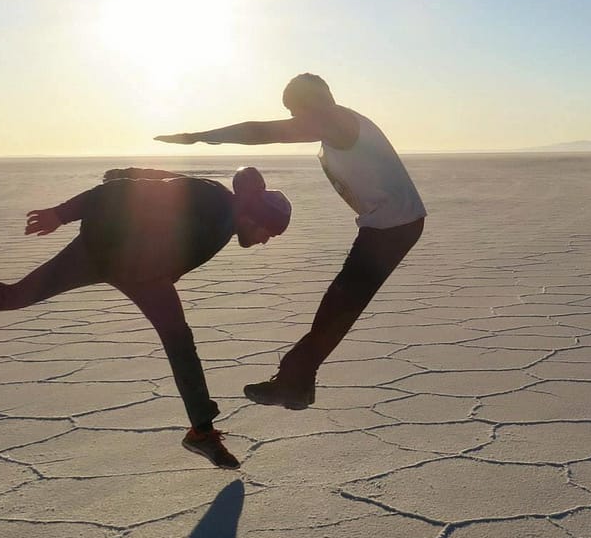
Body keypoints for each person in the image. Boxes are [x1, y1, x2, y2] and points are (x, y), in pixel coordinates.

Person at [0, 167, 292, 468]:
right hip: (98, 252)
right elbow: (130, 192)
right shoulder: (212, 198)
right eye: (268, 234)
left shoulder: (225, 214)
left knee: (179, 340)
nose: (263, 242)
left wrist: (130, 170)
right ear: (254, 216)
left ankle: (201, 432)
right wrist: (63, 212)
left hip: (147, 275)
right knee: (15, 296)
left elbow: (157, 177)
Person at [156, 73, 425, 410]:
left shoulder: (337, 122)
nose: (296, 119)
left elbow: (262, 131)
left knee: (340, 306)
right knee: (338, 307)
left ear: (316, 99)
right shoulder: (338, 125)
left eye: (296, 109)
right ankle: (296, 382)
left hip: (393, 227)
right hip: (389, 225)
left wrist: (198, 137)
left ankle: (293, 383)